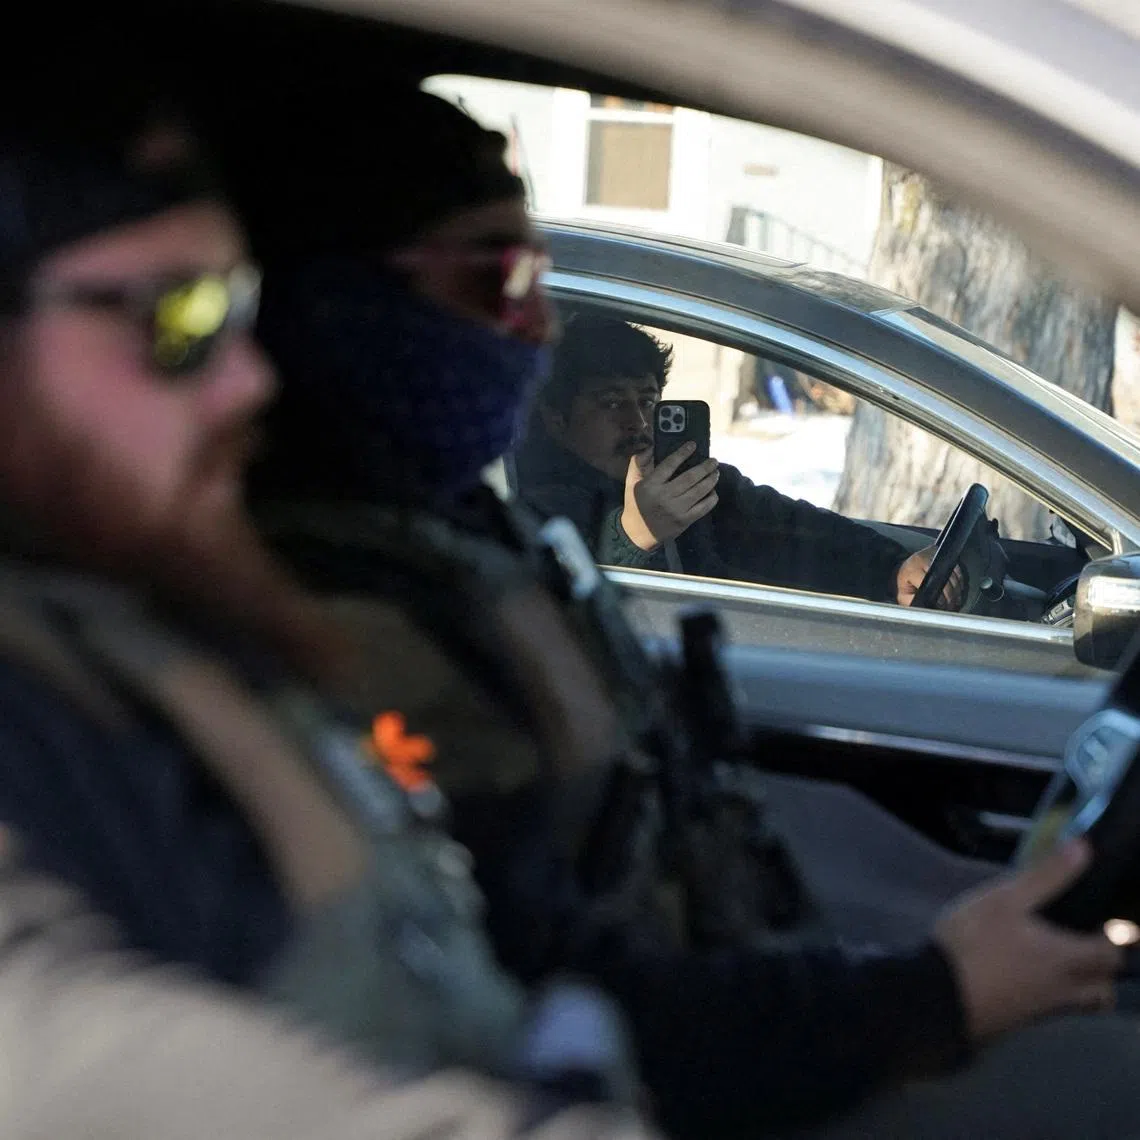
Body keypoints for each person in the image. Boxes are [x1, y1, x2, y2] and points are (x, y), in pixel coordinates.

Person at [212, 78, 1140, 1140]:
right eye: (498, 278)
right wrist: (931, 998)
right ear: (335, 306)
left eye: (537, 279)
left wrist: (893, 571)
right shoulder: (342, 613)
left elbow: (797, 534)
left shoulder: (461, 529)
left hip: (744, 979)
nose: (532, 324)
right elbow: (568, 994)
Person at [0, 57, 648, 1140]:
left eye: (240, 303)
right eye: (179, 317)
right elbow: (50, 1042)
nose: (250, 377)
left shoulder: (171, 626)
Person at [515, 315, 962, 608]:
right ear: (556, 418)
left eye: (648, 400)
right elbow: (557, 606)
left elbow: (796, 532)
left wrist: (893, 569)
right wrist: (633, 535)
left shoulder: (690, 483)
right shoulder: (526, 504)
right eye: (611, 403)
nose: (638, 422)